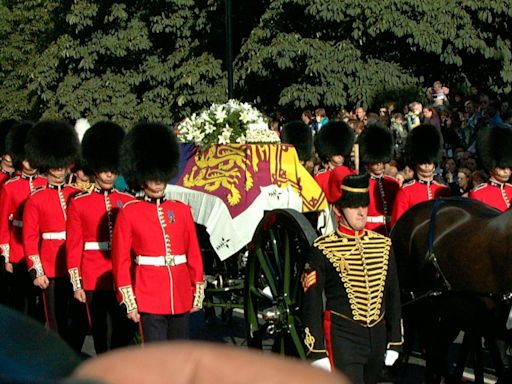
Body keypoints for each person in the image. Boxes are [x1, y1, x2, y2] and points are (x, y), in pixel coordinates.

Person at [302, 173, 403, 383]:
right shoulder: (322, 249)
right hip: (343, 336)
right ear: (338, 210)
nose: (361, 212)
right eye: (353, 207)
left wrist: (394, 340)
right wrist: (317, 349)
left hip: (377, 335)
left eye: (364, 206)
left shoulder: (383, 245)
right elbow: (311, 302)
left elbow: (393, 294)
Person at [112, 122, 205, 342]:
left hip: (180, 293)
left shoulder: (180, 210)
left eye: (161, 175)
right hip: (148, 295)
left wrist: (197, 288)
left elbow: (193, 252)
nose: (158, 181)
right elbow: (121, 260)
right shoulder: (129, 212)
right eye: (153, 175)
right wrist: (128, 299)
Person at [67, 121, 136, 353]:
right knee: (102, 336)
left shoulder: (128, 202)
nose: (109, 173)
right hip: (93, 277)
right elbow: (75, 246)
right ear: (95, 167)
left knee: (124, 334)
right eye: (104, 167)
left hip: (122, 276)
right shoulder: (79, 203)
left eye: (113, 168)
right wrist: (77, 283)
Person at [22, 120, 81, 344]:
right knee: (55, 320)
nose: (59, 171)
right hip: (51, 265)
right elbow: (30, 237)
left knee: (76, 319)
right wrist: (37, 271)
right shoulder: (36, 198)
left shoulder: (76, 193)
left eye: (62, 166)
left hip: (75, 265)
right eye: (55, 167)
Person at [0, 121, 47, 317]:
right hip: (18, 251)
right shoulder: (10, 186)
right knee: (19, 302)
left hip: (42, 249)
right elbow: (3, 223)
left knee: (39, 307)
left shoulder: (44, 183)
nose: (30, 163)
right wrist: (6, 255)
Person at [391, 124, 450, 227]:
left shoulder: (444, 190)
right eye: (423, 162)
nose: (427, 166)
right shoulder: (406, 192)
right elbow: (398, 225)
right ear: (415, 163)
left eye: (430, 162)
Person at [358, 122, 400, 236]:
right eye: (375, 161)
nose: (379, 165)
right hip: (369, 231)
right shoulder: (362, 184)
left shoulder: (393, 184)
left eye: (381, 161)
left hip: (390, 231)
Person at [468, 124, 512, 211]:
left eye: (509, 167)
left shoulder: (511, 189)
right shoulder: (478, 194)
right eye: (502, 167)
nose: (507, 171)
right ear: (490, 167)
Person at [313, 121, 355, 199]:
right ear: (327, 156)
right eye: (336, 153)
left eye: (342, 152)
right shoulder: (320, 178)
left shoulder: (352, 174)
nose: (340, 156)